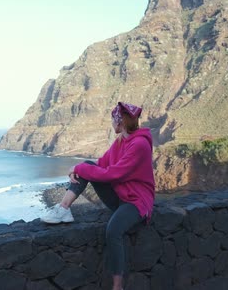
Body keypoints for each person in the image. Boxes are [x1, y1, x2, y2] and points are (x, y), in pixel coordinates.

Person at [41, 101, 155, 290]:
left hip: (136, 201)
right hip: (120, 195)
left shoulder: (140, 144)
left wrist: (79, 168)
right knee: (87, 165)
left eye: (113, 120)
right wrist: (81, 168)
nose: (111, 124)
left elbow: (113, 174)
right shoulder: (121, 141)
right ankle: (63, 209)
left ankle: (117, 286)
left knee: (113, 230)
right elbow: (101, 163)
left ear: (120, 122)